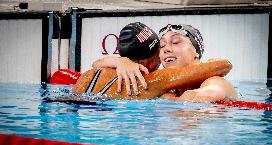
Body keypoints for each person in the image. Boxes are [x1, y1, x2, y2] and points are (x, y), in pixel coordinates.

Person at [72, 22, 233, 100]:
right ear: (152, 60)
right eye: (161, 46)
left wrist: (118, 61)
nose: (166, 49)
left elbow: (206, 94)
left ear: (197, 52)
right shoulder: (154, 82)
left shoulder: (214, 81)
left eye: (176, 42)